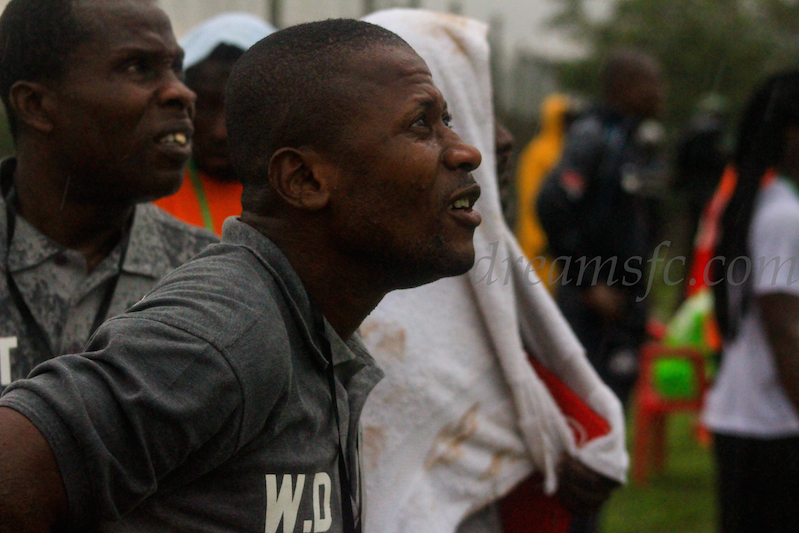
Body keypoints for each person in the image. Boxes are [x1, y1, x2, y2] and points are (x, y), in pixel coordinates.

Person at [0, 13, 484, 532]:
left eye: (447, 121)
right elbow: (14, 471)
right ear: (303, 179)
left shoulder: (304, 326)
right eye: (420, 124)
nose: (466, 150)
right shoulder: (232, 328)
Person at [358, 10, 627, 533]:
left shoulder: (476, 263)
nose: (497, 140)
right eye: (438, 119)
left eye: (482, 110)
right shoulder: (361, 310)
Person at [0, 0, 217, 392]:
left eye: (176, 68)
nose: (182, 93)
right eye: (138, 67)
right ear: (35, 105)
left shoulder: (212, 282)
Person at [537, 48, 666, 408]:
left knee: (615, 409)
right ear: (623, 87)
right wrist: (589, 281)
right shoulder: (593, 136)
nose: (660, 92)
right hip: (591, 307)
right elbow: (552, 203)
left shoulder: (636, 141)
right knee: (585, 412)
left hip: (626, 306)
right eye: (651, 82)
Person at [702, 70, 799, 533]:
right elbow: (787, 336)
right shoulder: (784, 216)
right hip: (770, 429)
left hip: (750, 423)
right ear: (791, 135)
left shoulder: (765, 205)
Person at [155, 12, 275, 235]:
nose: (220, 132)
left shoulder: (301, 201)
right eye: (205, 106)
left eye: (241, 111)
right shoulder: (148, 193)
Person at [515, 94, 581, 290]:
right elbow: (529, 195)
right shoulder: (539, 153)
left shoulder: (571, 151)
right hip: (540, 245)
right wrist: (537, 236)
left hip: (562, 244)